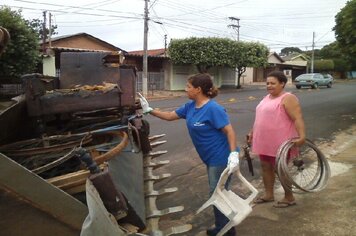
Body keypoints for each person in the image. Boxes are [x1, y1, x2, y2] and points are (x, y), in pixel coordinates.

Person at [138, 73, 239, 236]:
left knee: (217, 194)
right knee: (218, 193)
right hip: (209, 157)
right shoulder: (190, 106)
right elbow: (171, 116)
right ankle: (224, 226)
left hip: (221, 157)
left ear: (198, 89)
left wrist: (233, 154)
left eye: (188, 86)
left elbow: (229, 131)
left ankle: (226, 230)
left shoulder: (213, 109)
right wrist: (149, 110)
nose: (186, 89)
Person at [248, 70, 306, 208]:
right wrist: (252, 132)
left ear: (282, 84)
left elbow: (297, 118)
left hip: (280, 140)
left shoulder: (288, 98)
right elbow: (260, 118)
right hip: (264, 139)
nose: (269, 86)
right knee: (265, 167)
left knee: (280, 169)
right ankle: (269, 194)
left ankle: (289, 197)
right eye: (267, 83)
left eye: (273, 83)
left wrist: (302, 136)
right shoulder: (266, 97)